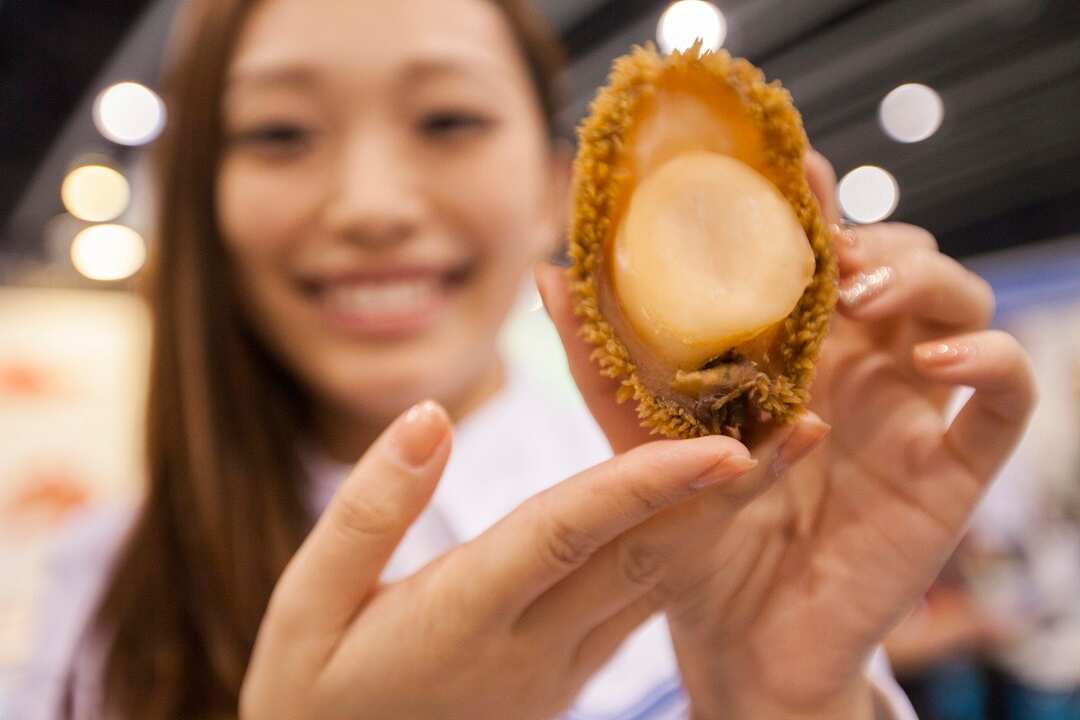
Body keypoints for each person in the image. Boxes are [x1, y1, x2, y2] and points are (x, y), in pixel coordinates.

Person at [9, 0, 1037, 719]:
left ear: (562, 190)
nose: (372, 204)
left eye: (449, 120)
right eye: (280, 133)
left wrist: (783, 694)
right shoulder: (101, 582)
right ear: (205, 202)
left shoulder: (721, 531)